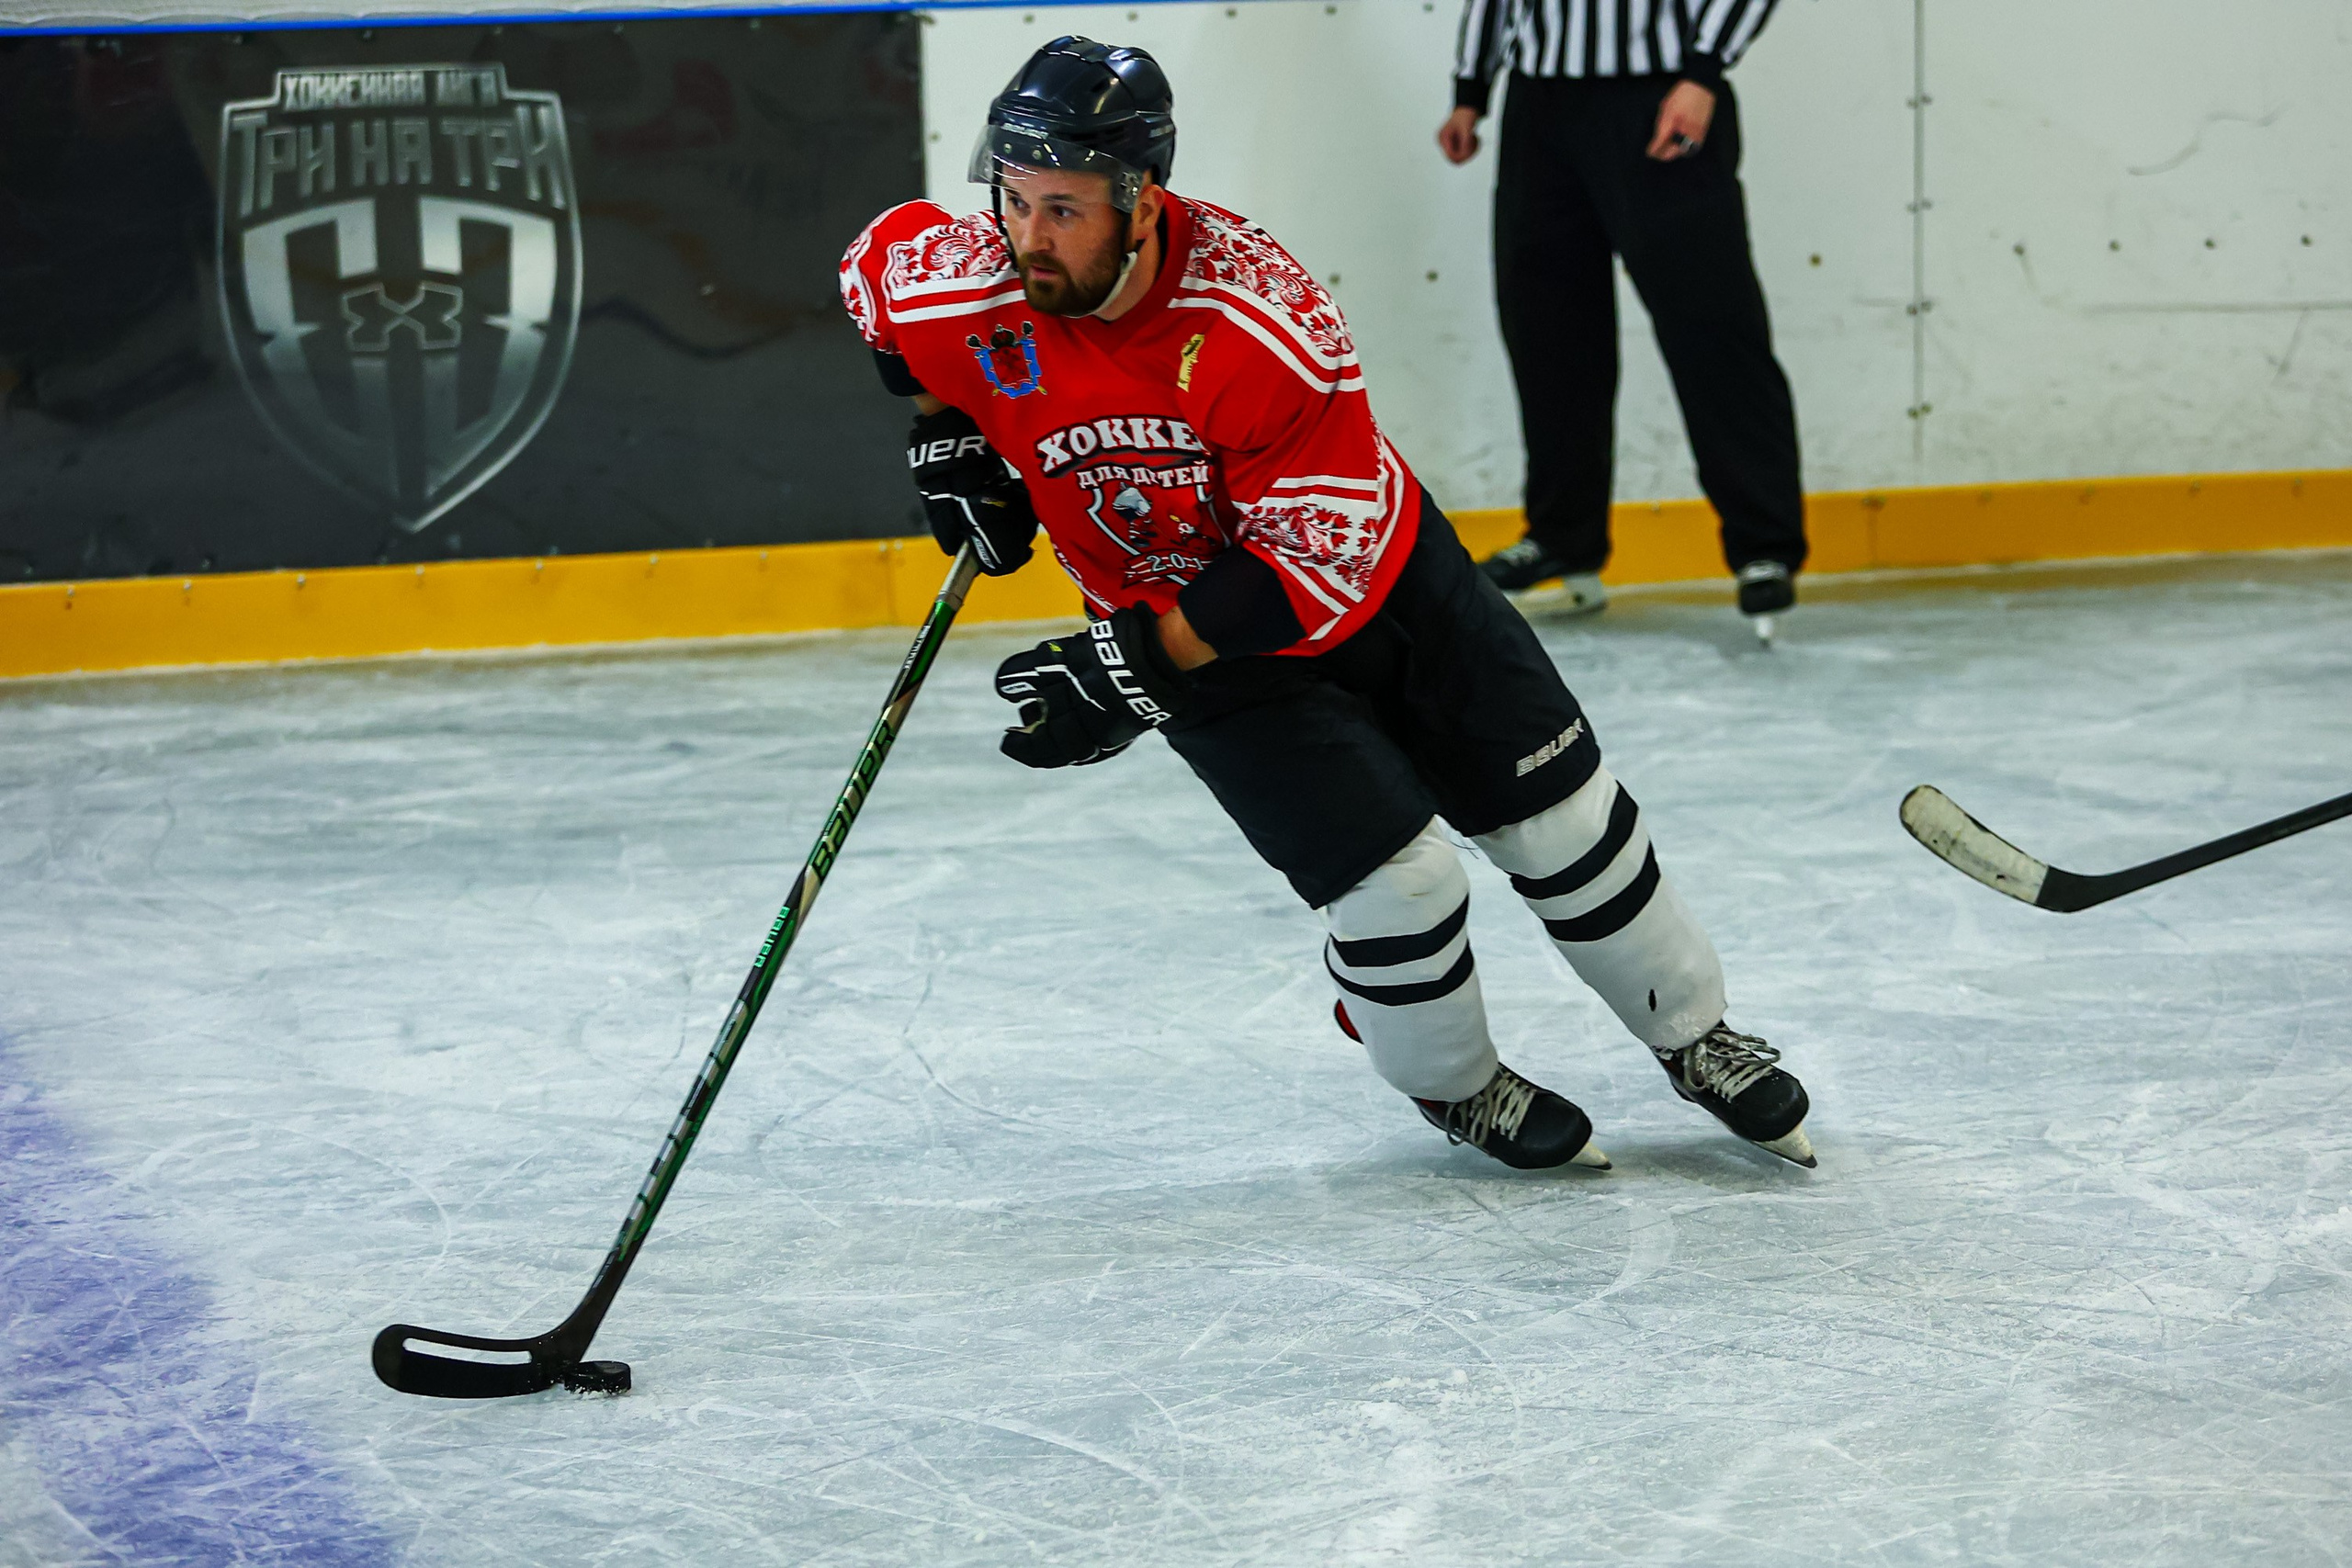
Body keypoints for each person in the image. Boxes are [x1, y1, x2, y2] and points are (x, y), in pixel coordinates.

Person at [840, 36, 1815, 1169]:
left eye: (1062, 209)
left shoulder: (1256, 315)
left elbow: (1306, 557)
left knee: (1561, 825)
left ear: (1141, 200)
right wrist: (944, 433)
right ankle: (1455, 1085)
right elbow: (876, 282)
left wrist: (1128, 672)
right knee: (1400, 885)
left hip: (1382, 583)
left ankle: (1696, 1039)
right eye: (1011, 199)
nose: (1026, 236)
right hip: (1204, 643)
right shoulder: (965, 272)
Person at [1441, 0, 1807, 637]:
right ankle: (1563, 535)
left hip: (1659, 93)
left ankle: (1762, 544)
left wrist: (1703, 73)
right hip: (1541, 105)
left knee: (1712, 326)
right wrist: (1472, 89)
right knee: (1547, 329)